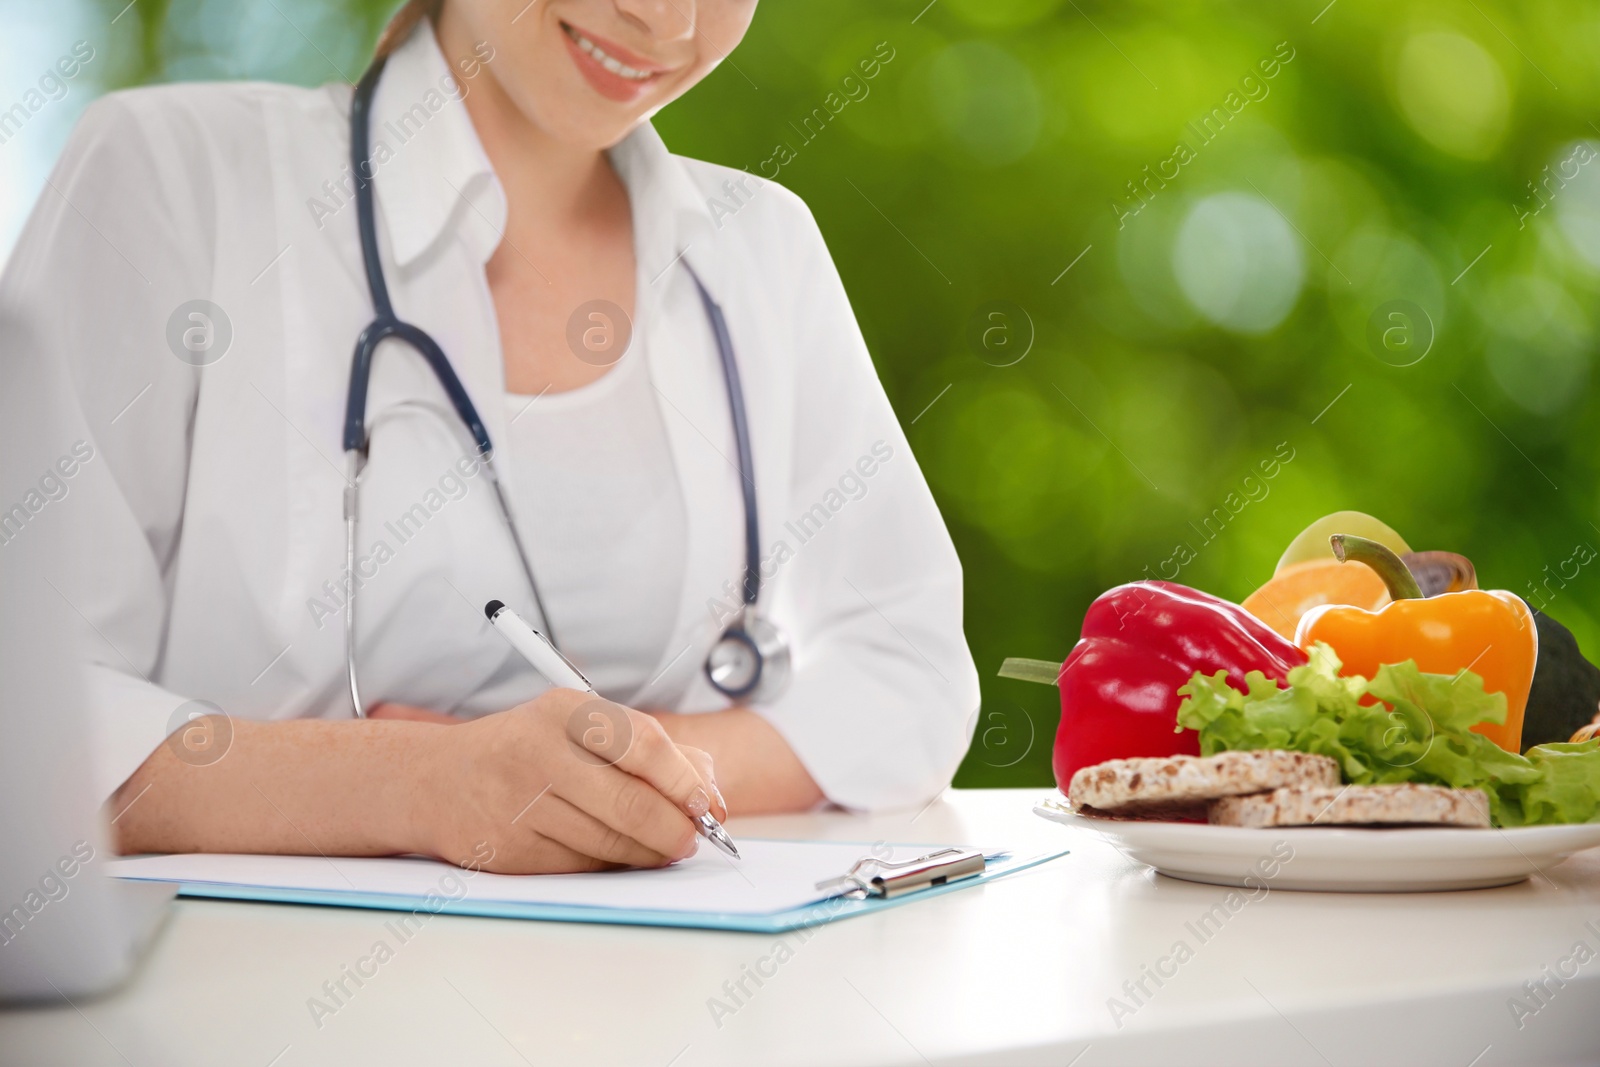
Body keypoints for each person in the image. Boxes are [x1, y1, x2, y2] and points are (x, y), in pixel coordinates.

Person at [0, 0, 979, 874]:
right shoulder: (176, 177)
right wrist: (412, 782)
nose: (668, 22)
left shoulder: (758, 245)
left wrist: (581, 777)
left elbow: (909, 676)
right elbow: (24, 714)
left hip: (659, 1003)